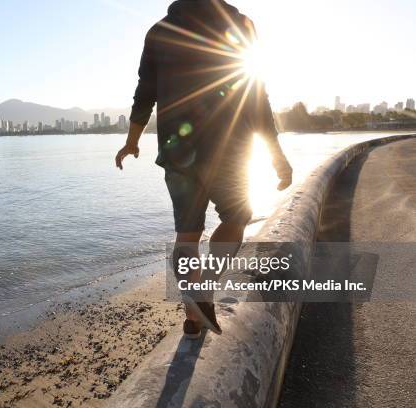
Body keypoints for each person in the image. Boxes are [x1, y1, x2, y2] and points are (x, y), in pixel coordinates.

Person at [115, 0, 293, 338]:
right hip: (227, 146)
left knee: (187, 234)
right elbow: (256, 94)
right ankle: (204, 290)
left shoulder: (159, 31)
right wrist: (276, 154)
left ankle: (193, 320)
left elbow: (145, 93)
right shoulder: (240, 24)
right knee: (237, 217)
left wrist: (132, 140)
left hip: (177, 151)